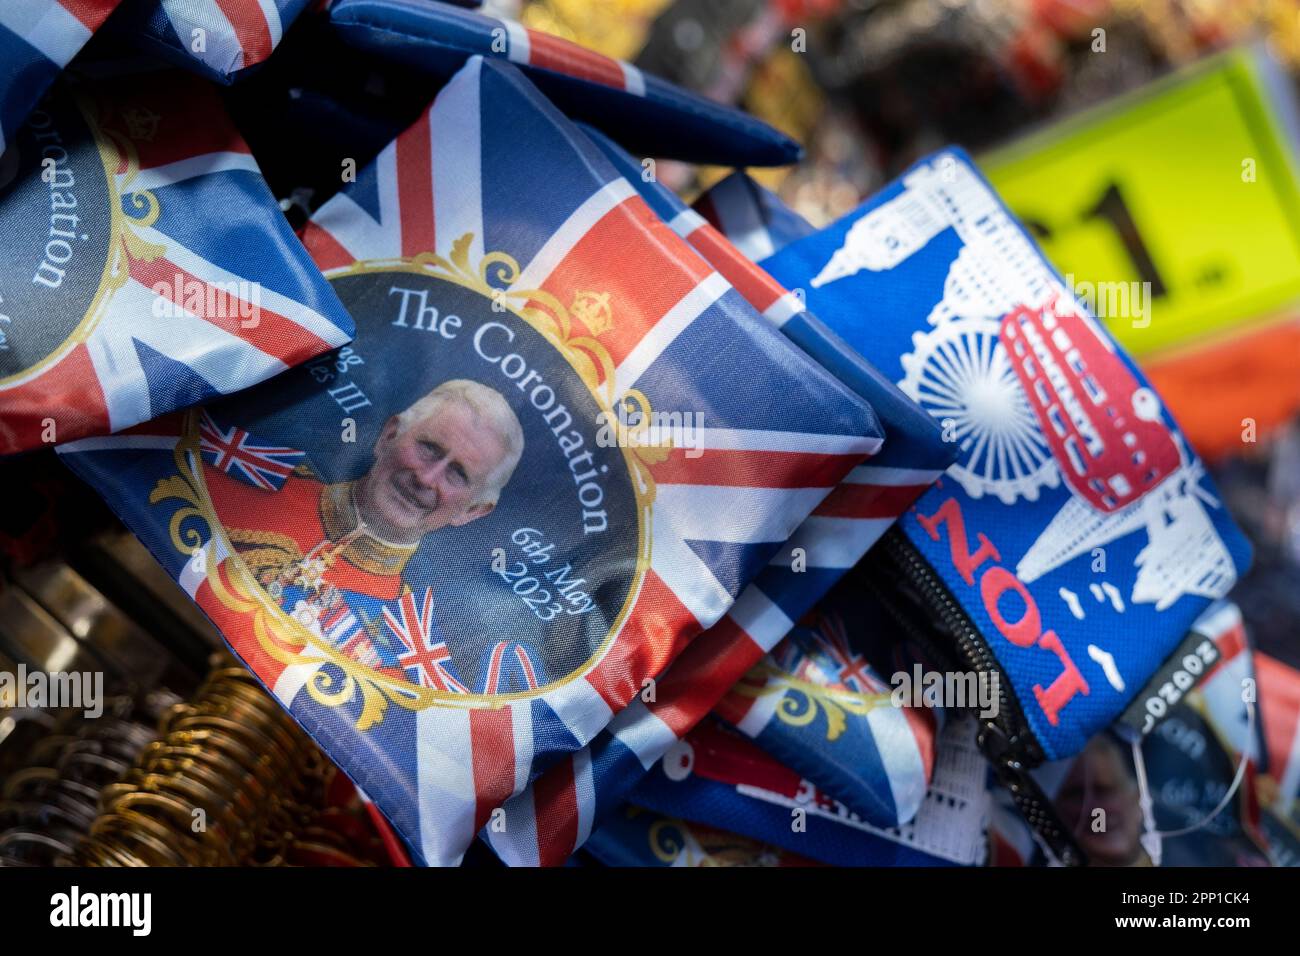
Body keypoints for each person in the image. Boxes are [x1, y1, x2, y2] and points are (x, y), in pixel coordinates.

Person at [195, 379, 524, 686]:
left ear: (473, 511)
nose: (427, 479)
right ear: (389, 435)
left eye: (457, 474)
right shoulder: (233, 476)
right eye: (430, 449)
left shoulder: (400, 661)